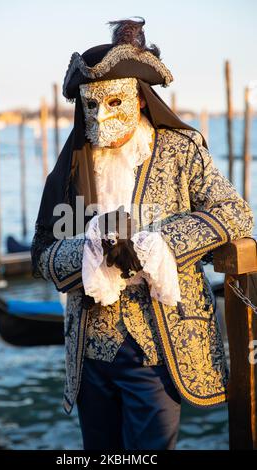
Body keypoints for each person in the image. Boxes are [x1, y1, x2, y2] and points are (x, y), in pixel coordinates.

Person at [31, 18, 254, 450]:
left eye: (113, 102)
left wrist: (158, 243)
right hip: (91, 354)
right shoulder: (74, 164)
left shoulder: (179, 151)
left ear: (138, 98)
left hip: (157, 349)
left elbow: (235, 213)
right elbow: (41, 253)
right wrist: (90, 248)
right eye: (90, 106)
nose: (100, 116)